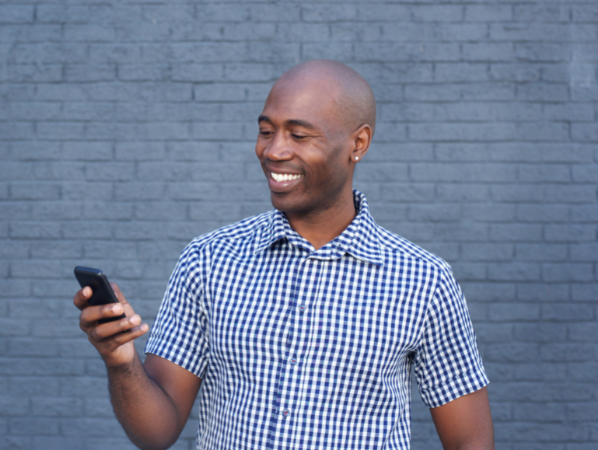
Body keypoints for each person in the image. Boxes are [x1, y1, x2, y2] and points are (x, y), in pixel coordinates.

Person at [74, 60, 494, 450]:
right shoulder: (208, 260)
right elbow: (156, 432)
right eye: (266, 130)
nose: (274, 151)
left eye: (299, 134)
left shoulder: (424, 280)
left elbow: (469, 441)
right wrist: (121, 360)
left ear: (358, 143)